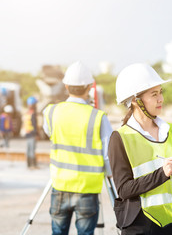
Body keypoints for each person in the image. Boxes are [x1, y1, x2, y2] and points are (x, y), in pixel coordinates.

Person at [109, 63, 172, 235]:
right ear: (136, 101)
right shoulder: (120, 138)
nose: (161, 99)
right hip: (139, 226)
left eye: (161, 92)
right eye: (154, 94)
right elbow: (124, 190)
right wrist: (162, 173)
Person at [42, 61, 113, 235]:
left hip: (60, 185)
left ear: (66, 86)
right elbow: (108, 153)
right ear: (90, 87)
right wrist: (110, 174)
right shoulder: (98, 117)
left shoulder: (51, 112)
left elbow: (49, 131)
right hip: (88, 189)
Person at [24, 96, 38, 169]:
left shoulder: (27, 113)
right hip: (32, 134)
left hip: (27, 133)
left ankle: (29, 164)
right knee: (32, 149)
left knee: (29, 149)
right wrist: (36, 134)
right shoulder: (33, 114)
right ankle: (33, 165)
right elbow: (34, 125)